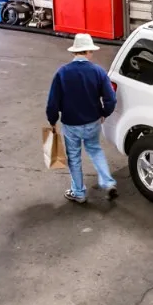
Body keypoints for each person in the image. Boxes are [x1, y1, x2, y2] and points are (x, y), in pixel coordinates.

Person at [46, 33, 118, 203]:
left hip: (71, 124)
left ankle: (78, 193)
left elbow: (52, 102)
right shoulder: (98, 71)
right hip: (93, 121)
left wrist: (52, 120)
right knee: (95, 149)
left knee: (74, 157)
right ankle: (108, 182)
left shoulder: (62, 73)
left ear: (74, 52)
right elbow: (111, 98)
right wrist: (104, 113)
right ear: (89, 52)